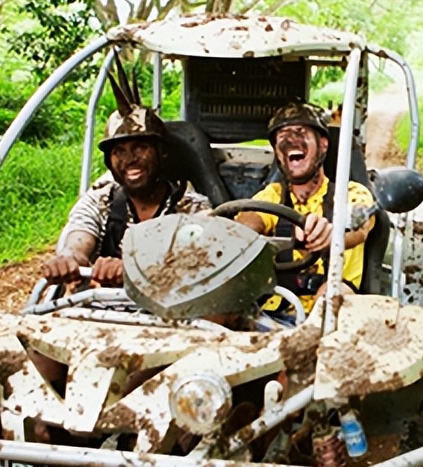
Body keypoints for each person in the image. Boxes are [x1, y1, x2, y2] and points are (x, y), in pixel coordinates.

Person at [42, 85, 209, 287]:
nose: (129, 159)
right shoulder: (101, 201)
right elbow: (79, 238)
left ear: (161, 152)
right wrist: (68, 259)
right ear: (109, 160)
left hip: (170, 304)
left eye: (140, 148)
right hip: (102, 303)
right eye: (119, 151)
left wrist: (134, 268)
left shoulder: (192, 207)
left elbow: (201, 262)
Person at [236, 101, 375, 313]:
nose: (291, 140)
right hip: (272, 313)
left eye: (300, 132)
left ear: (323, 144)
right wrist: (243, 232)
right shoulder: (271, 196)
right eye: (282, 136)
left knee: (333, 294)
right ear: (277, 152)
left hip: (332, 315)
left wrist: (332, 235)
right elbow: (248, 221)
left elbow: (359, 228)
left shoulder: (352, 193)